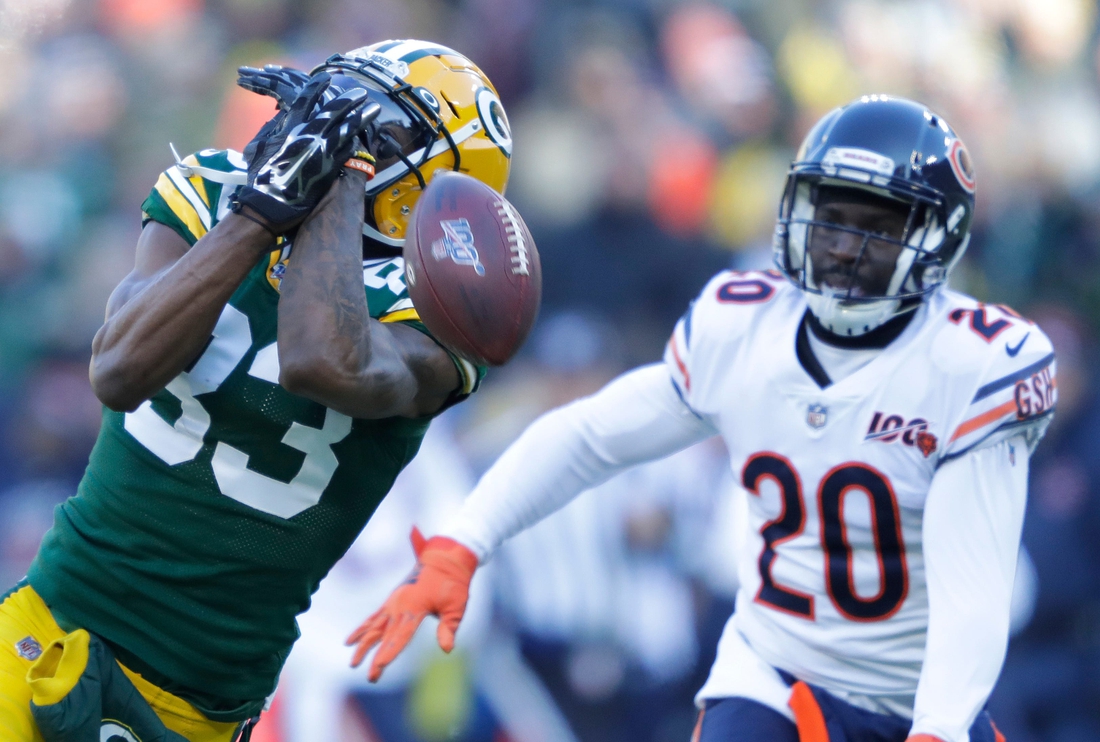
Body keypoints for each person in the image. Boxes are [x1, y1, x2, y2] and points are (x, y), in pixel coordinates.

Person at [354, 96, 1056, 742]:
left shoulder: (974, 366)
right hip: (775, 678)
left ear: (938, 240)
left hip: (920, 697)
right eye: (833, 215)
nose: (843, 244)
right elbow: (593, 435)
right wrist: (464, 542)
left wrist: (937, 727)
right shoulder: (744, 324)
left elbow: (975, 588)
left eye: (876, 227)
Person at [0, 39, 513, 742]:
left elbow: (323, 362)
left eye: (370, 126)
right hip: (51, 626)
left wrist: (338, 179)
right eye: (327, 106)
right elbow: (118, 371)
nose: (319, 130)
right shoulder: (218, 190)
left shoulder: (446, 299)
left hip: (200, 707)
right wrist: (257, 213)